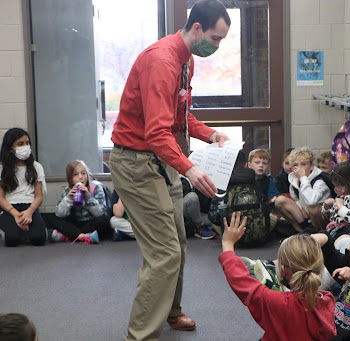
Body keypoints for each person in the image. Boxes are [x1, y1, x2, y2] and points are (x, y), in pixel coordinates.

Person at [108, 1, 231, 339]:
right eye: (215, 38)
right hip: (136, 162)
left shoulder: (184, 59)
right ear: (196, 29)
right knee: (163, 253)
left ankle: (170, 311)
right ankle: (140, 335)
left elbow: (178, 117)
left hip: (160, 159)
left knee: (178, 240)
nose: (216, 46)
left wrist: (209, 134)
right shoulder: (162, 61)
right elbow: (157, 132)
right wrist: (190, 170)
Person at [219, 212, 337, 341]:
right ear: (319, 268)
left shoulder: (277, 302)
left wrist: (228, 244)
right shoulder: (327, 300)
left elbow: (239, 280)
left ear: (282, 270)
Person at [0, 128, 47, 247]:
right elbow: (1, 198)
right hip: (10, 208)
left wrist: (29, 212)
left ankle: (26, 230)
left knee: (39, 239)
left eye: (27, 143)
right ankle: (18, 229)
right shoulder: (2, 168)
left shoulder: (37, 167)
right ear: (10, 148)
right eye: (20, 144)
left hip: (30, 206)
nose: (25, 146)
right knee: (11, 240)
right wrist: (16, 214)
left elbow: (38, 196)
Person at [44, 160, 110, 244]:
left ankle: (70, 235)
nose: (80, 177)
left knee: (105, 221)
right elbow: (60, 214)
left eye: (83, 173)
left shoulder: (96, 188)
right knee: (53, 218)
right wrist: (68, 198)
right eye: (76, 175)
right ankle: (84, 236)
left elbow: (100, 213)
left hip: (91, 222)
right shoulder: (67, 191)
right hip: (75, 222)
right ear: (70, 179)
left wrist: (88, 196)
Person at [275, 147, 331, 232]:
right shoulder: (294, 180)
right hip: (306, 216)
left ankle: (320, 233)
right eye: (295, 165)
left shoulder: (319, 181)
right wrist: (301, 208)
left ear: (312, 166)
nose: (299, 168)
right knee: (280, 201)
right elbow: (295, 198)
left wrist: (303, 178)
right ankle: (301, 231)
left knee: (313, 208)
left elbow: (312, 201)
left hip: (323, 218)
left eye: (303, 164)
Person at [321, 161, 350, 240]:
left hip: (349, 235)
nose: (337, 188)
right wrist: (326, 208)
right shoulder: (341, 196)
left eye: (341, 185)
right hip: (335, 230)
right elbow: (329, 218)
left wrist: (341, 207)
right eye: (335, 185)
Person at [181, 175, 216, 239]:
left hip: (199, 211)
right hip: (180, 208)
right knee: (192, 197)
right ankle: (199, 226)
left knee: (214, 222)